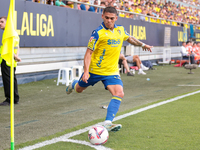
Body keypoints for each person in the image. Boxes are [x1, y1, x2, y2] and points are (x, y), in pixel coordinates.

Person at [66, 7, 153, 132]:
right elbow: (88, 53)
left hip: (111, 72)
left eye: (112, 18)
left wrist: (143, 45)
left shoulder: (120, 30)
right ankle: (73, 84)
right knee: (79, 89)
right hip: (94, 71)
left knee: (119, 93)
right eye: (106, 18)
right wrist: (86, 72)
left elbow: (130, 38)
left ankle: (107, 122)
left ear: (116, 18)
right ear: (102, 16)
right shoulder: (97, 33)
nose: (109, 20)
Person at [0, 16, 21, 106]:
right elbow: (17, 46)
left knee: (7, 80)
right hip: (12, 60)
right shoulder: (14, 33)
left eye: (2, 22)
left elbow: (8, 48)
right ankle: (15, 98)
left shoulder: (8, 33)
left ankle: (9, 99)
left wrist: (15, 57)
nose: (0, 24)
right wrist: (16, 57)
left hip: (6, 59)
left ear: (7, 23)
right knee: (13, 80)